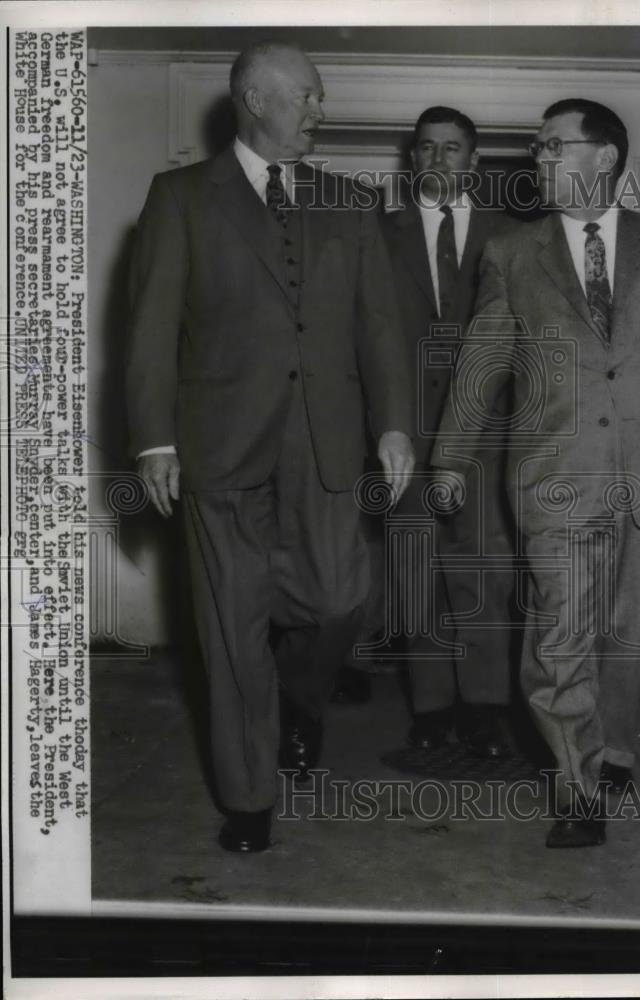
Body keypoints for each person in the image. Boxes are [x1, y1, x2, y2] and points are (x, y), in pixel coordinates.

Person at [432, 98, 640, 846]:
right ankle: (575, 788)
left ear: (603, 157)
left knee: (625, 638)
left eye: (552, 146)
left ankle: (608, 745)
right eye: (538, 148)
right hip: (554, 479)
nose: (537, 158)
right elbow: (480, 366)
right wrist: (447, 458)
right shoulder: (513, 253)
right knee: (555, 645)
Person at [126, 42, 414, 853]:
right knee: (230, 627)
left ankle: (300, 698)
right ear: (256, 98)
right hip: (218, 448)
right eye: (309, 98)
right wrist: (152, 439)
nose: (321, 111)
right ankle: (249, 798)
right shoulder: (180, 196)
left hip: (325, 444)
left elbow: (380, 327)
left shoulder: (348, 203)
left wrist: (393, 422)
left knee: (338, 601)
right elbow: (148, 327)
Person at [380, 106, 519, 758]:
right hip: (402, 436)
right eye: (427, 149)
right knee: (416, 570)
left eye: (452, 148)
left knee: (481, 570)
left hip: (487, 434)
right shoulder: (376, 236)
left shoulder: (512, 237)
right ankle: (431, 709)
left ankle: (484, 708)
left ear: (473, 161)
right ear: (412, 161)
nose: (438, 160)